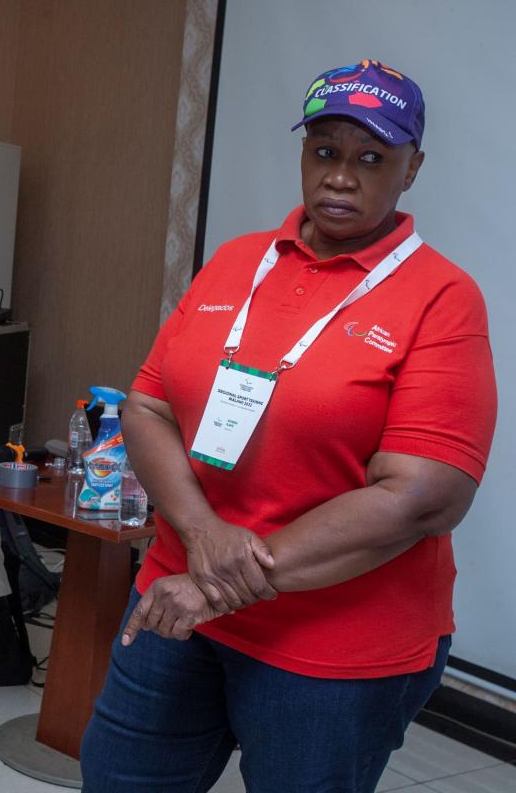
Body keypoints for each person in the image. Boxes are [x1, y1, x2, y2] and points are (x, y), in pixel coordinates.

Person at [79, 59, 497, 792]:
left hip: (332, 646)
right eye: (325, 152)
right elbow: (147, 406)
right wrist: (203, 535)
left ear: (413, 169)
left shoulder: (443, 298)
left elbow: (425, 497)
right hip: (174, 599)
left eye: (372, 158)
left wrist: (213, 586)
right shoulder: (239, 262)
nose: (342, 176)